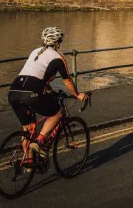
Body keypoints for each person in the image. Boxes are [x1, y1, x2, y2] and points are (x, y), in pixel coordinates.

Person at [7, 26, 87, 163]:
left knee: (28, 129)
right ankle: (40, 141)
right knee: (58, 113)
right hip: (32, 92)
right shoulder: (58, 57)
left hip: (14, 91)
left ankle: (28, 163)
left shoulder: (35, 52)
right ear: (58, 42)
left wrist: (50, 91)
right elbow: (67, 80)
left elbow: (36, 74)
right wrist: (78, 94)